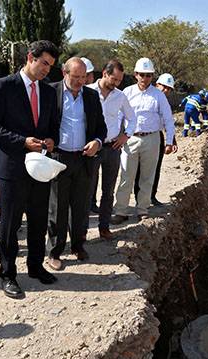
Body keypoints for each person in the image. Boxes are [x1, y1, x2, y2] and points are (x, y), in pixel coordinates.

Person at [0, 40, 60, 299]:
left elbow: (52, 126)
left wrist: (50, 140)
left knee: (38, 222)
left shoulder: (48, 92)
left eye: (51, 66)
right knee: (10, 225)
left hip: (40, 169)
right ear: (30, 57)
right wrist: (21, 142)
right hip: (12, 168)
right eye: (44, 63)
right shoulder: (3, 86)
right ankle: (8, 274)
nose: (47, 70)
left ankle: (36, 267)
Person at [46, 57, 106, 270]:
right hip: (59, 158)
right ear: (64, 73)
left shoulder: (91, 96)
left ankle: (78, 245)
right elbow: (41, 123)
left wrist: (97, 143)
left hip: (83, 159)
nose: (81, 81)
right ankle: (54, 251)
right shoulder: (50, 93)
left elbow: (101, 127)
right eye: (76, 77)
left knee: (80, 207)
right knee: (58, 207)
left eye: (83, 77)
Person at [111, 58, 176, 224]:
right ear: (135, 75)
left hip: (152, 139)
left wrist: (169, 141)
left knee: (147, 177)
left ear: (152, 76)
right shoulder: (127, 92)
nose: (145, 78)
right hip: (130, 138)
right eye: (142, 74)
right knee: (126, 176)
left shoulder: (158, 95)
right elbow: (119, 115)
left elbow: (168, 119)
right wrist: (117, 136)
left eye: (148, 75)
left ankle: (142, 209)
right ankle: (121, 210)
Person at [85, 60, 135, 241]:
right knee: (87, 190)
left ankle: (104, 228)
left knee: (108, 191)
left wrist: (126, 135)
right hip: (91, 148)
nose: (117, 83)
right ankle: (81, 233)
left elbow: (132, 118)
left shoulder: (120, 96)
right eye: (114, 79)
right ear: (105, 74)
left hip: (112, 148)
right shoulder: (87, 91)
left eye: (120, 80)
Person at [134, 73, 178, 206]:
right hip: (138, 135)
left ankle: (151, 196)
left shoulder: (163, 101)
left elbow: (168, 122)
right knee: (139, 169)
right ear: (157, 84)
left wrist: (172, 141)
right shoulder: (147, 96)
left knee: (155, 168)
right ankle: (138, 198)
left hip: (157, 136)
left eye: (168, 89)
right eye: (163, 87)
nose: (166, 90)